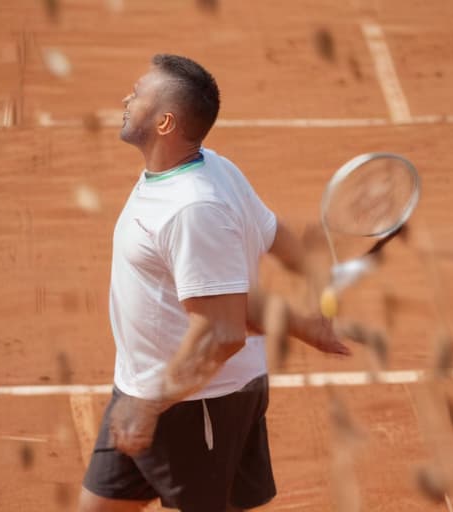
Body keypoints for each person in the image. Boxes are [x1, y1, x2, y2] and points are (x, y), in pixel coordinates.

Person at [79, 54, 350, 512]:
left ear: (165, 122)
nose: (127, 98)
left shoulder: (192, 210)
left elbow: (222, 334)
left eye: (138, 93)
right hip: (144, 387)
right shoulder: (208, 167)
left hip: (194, 403)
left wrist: (150, 406)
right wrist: (311, 297)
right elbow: (273, 233)